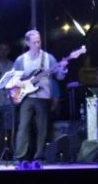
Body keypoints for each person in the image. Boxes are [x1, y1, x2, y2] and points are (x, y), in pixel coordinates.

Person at [8, 29, 66, 162]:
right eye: (34, 42)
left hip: (43, 97)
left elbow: (59, 77)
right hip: (26, 97)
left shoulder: (48, 58)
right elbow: (13, 78)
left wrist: (62, 69)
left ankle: (39, 156)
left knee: (42, 128)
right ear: (28, 43)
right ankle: (20, 155)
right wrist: (17, 85)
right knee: (23, 126)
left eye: (39, 42)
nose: (37, 45)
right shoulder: (21, 60)